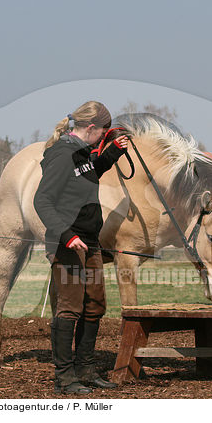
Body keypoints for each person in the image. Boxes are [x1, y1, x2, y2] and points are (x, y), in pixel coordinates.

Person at [33, 101, 130, 394]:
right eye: (101, 134)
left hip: (90, 242)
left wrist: (113, 152)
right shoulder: (61, 155)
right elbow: (42, 200)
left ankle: (86, 368)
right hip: (69, 244)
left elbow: (89, 176)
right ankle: (64, 377)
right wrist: (66, 235)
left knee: (95, 306)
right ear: (90, 128)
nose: (102, 138)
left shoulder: (81, 154)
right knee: (70, 309)